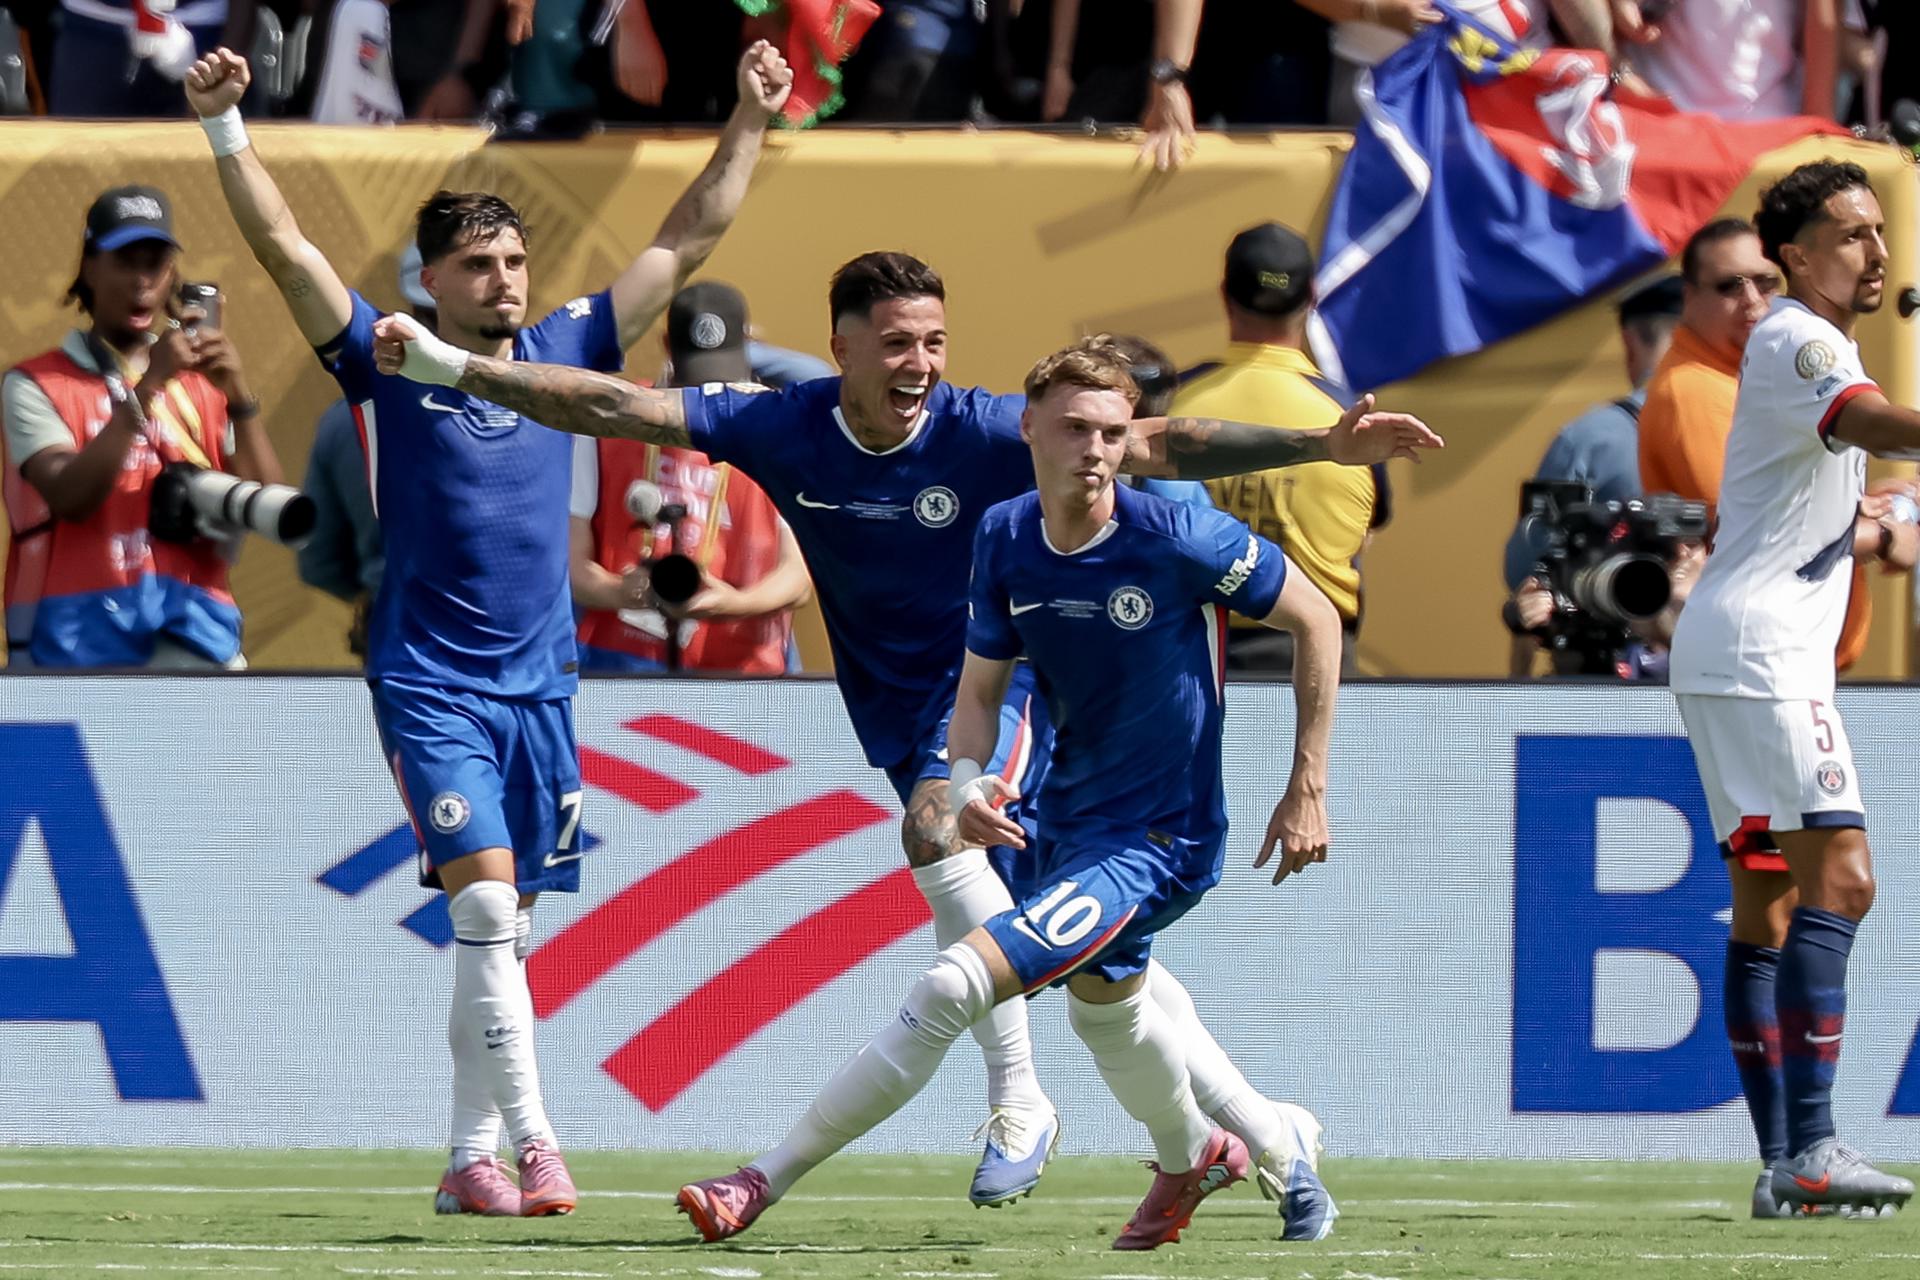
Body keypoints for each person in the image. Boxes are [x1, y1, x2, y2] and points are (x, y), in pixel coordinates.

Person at [368, 252, 1437, 1224]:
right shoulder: (783, 425)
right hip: (901, 704)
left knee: (943, 843)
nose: (920, 362)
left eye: (933, 340)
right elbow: (611, 402)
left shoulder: (984, 429)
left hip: (1005, 689)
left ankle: (1017, 1097)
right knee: (1105, 973)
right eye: (895, 342)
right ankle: (1250, 1132)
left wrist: (1319, 445)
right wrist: (453, 365)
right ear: (839, 348)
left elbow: (1164, 439)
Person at [183, 41, 793, 1217]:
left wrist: (752, 117)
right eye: (480, 264)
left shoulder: (568, 349)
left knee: (500, 927)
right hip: (428, 682)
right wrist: (223, 127)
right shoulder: (387, 357)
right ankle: (537, 1140)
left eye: (515, 259)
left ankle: (467, 1158)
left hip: (545, 688)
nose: (506, 280)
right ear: (432, 278)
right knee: (479, 906)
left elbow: (690, 235)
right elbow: (284, 247)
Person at [669, 339, 1343, 1248]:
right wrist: (964, 783)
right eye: (1074, 429)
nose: (1095, 450)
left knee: (956, 982)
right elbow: (980, 690)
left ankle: (762, 1180)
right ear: (1028, 430)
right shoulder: (1006, 535)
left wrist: (1307, 787)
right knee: (1110, 1014)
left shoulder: (1177, 537)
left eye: (1111, 432)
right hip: (1066, 823)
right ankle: (1214, 1152)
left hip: (1157, 839)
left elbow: (1317, 617)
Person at [1668, 158, 1918, 1218]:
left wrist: (1884, 523)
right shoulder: (1799, 337)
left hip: (1735, 650)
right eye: (1854, 233)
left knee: (1768, 903)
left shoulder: (1802, 345)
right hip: (1766, 659)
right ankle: (1812, 1146)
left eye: (1879, 232)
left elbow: (1812, 504)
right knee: (1844, 881)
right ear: (1798, 252)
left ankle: (1783, 1161)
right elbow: (1870, 422)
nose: (1877, 251)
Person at [3, 185, 282, 670]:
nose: (142, 281)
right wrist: (149, 385)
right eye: (126, 261)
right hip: (80, 647)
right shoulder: (35, 383)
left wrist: (238, 396)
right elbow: (71, 496)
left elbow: (270, 506)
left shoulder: (203, 384)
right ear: (89, 268)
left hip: (198, 639)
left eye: (154, 263)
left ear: (171, 274)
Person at [1639, 218, 1882, 671]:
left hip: (1772, 654)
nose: (1752, 302)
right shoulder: (1695, 389)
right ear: (1689, 298)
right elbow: (1770, 532)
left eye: (1767, 282)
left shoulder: (1743, 374)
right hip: (1756, 660)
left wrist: (1877, 505)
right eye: (1729, 286)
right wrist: (1885, 535)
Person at [1178, 222, 1390, 674]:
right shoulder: (1347, 417)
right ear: (1312, 297)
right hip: (1312, 657)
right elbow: (1367, 531)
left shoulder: (1171, 405)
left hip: (1185, 655)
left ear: (1224, 294)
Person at [570, 281, 812, 674]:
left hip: (745, 672)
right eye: (696, 380)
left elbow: (798, 578)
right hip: (622, 668)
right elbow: (573, 568)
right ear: (668, 346)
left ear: (750, 346)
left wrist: (734, 604)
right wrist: (622, 591)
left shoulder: (783, 426)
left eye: (721, 379)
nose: (708, 397)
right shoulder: (606, 421)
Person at [297, 247, 436, 636]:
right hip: (510, 647)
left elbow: (318, 561)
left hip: (395, 631)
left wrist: (372, 591)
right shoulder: (525, 409)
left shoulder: (346, 419)